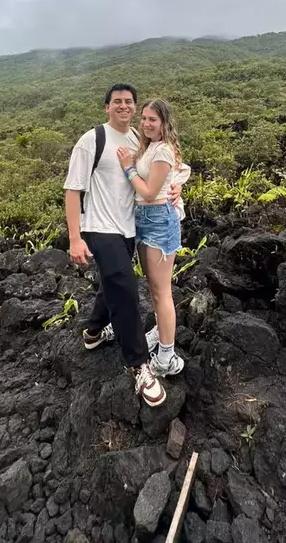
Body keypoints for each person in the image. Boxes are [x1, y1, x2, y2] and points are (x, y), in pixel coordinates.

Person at [63, 84, 180, 408]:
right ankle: (140, 366)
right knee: (126, 289)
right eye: (118, 102)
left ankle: (94, 332)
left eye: (129, 102)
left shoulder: (137, 140)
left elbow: (161, 169)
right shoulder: (92, 141)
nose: (124, 107)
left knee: (113, 282)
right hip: (100, 228)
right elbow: (73, 190)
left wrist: (175, 190)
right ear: (107, 107)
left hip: (130, 227)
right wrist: (75, 238)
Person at [117, 98, 189, 379]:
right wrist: (178, 185)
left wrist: (127, 167)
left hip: (159, 220)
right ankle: (161, 334)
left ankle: (166, 357)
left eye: (153, 120)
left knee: (162, 292)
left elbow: (148, 192)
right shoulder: (149, 146)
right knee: (154, 289)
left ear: (164, 122)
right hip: (144, 221)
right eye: (144, 118)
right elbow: (182, 171)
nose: (146, 124)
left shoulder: (163, 151)